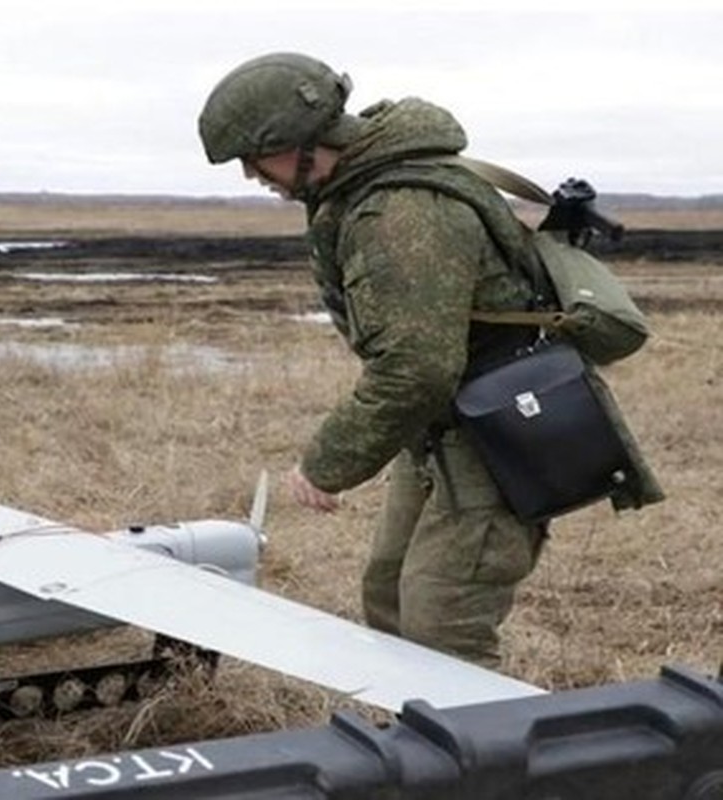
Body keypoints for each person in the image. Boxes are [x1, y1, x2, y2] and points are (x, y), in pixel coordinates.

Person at [196, 52, 658, 667]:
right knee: (388, 598)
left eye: (255, 161)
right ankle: (413, 750)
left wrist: (327, 464)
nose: (255, 176)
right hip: (447, 428)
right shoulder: (371, 187)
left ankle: (485, 756)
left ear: (297, 142)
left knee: (443, 629)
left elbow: (416, 367)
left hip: (499, 435)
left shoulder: (400, 213)